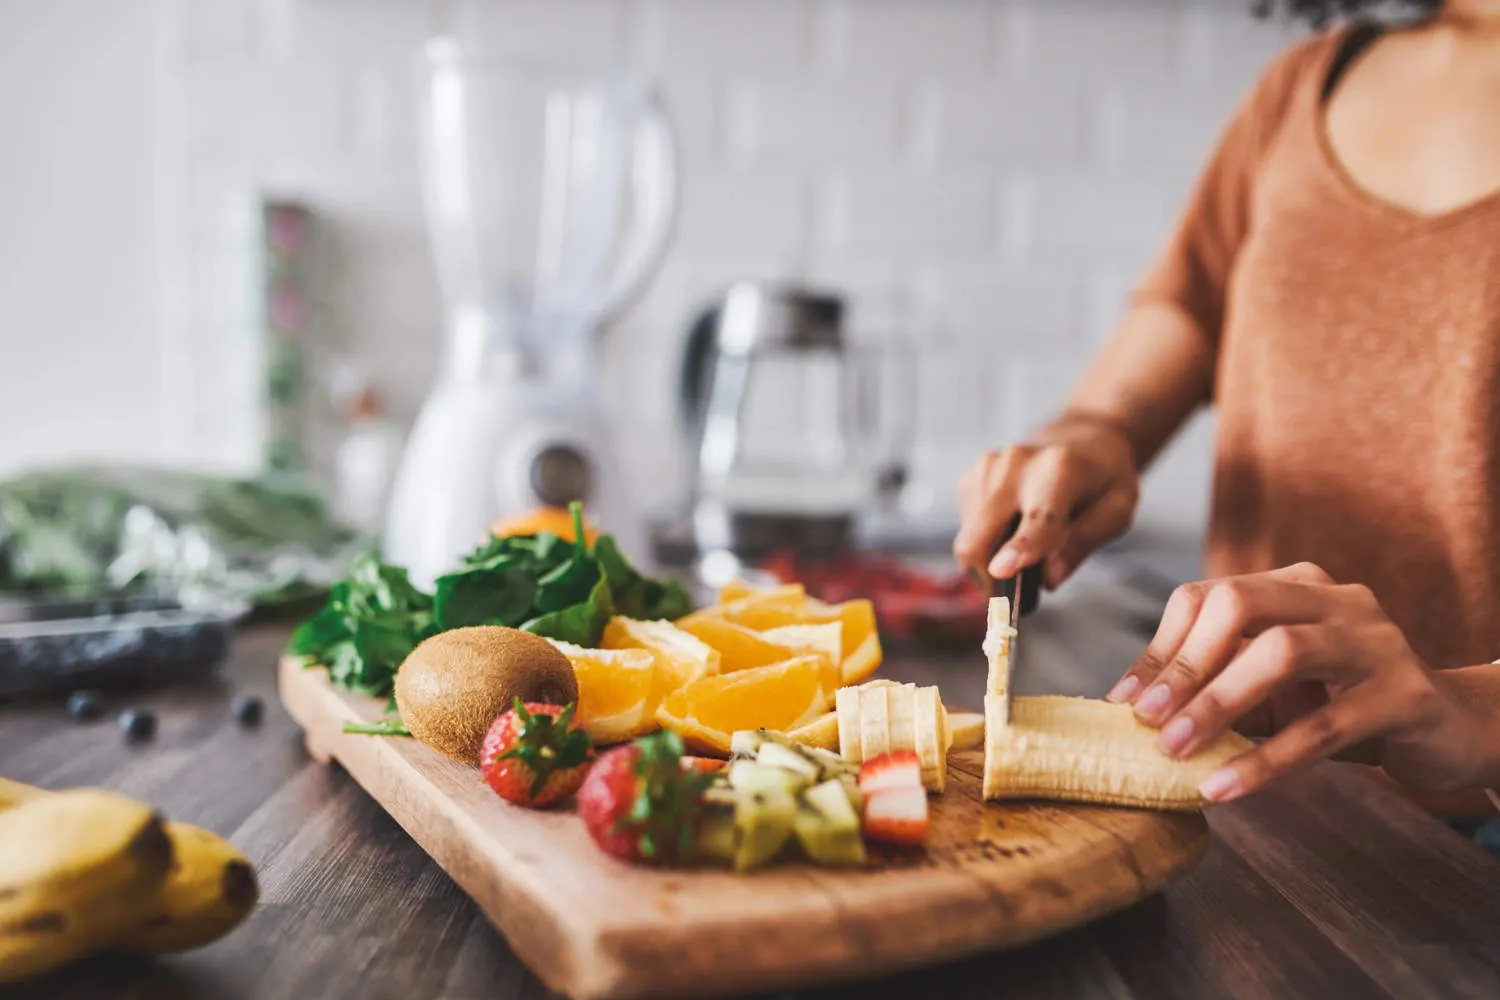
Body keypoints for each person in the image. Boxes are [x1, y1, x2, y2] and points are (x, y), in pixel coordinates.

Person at [952, 0, 1500, 820]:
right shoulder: (1310, 83)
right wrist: (1092, 435)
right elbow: (1190, 309)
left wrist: (1472, 708)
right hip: (1264, 808)